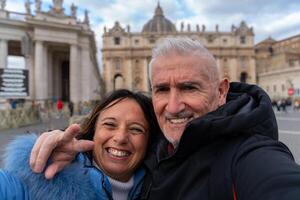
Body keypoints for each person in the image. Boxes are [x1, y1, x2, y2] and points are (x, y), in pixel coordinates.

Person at [30, 37, 300, 199]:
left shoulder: (250, 156)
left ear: (221, 91)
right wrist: (74, 157)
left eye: (189, 87)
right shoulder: (151, 146)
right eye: (161, 89)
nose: (173, 106)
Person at [0, 89, 159, 199]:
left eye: (136, 129)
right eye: (110, 125)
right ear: (93, 132)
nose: (121, 137)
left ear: (149, 141)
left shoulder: (163, 187)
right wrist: (40, 161)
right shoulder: (32, 183)